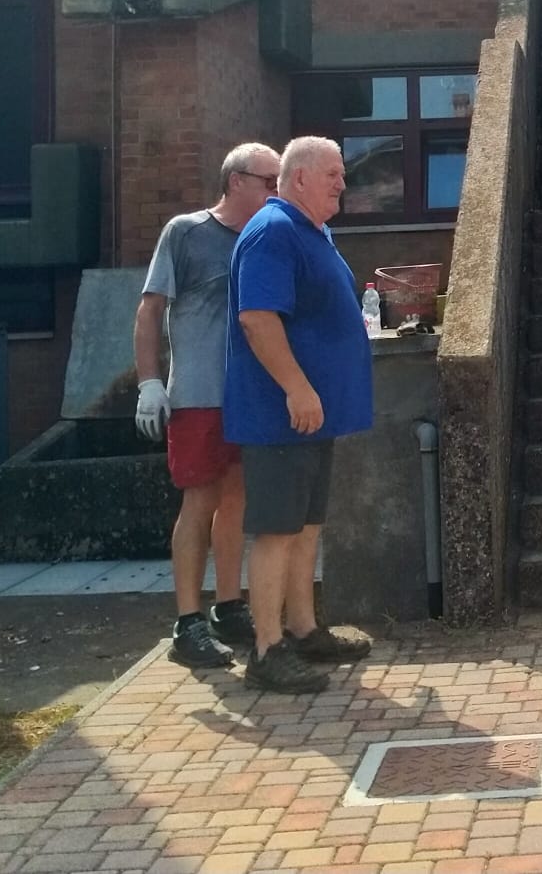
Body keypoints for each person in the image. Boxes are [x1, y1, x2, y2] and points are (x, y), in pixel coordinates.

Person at [223, 136, 375, 694]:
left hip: (312, 418)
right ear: (300, 177)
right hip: (281, 416)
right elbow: (257, 318)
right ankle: (266, 650)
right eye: (333, 173)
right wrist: (296, 387)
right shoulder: (273, 230)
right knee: (277, 530)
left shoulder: (311, 231)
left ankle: (304, 630)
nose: (342, 182)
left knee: (307, 526)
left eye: (342, 173)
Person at [134, 141, 281, 669]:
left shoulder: (266, 237)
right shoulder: (185, 232)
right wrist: (150, 382)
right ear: (236, 180)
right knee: (200, 500)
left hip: (248, 394)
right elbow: (150, 310)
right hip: (199, 394)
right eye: (268, 182)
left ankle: (228, 605)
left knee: (236, 499)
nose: (276, 192)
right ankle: (187, 622)